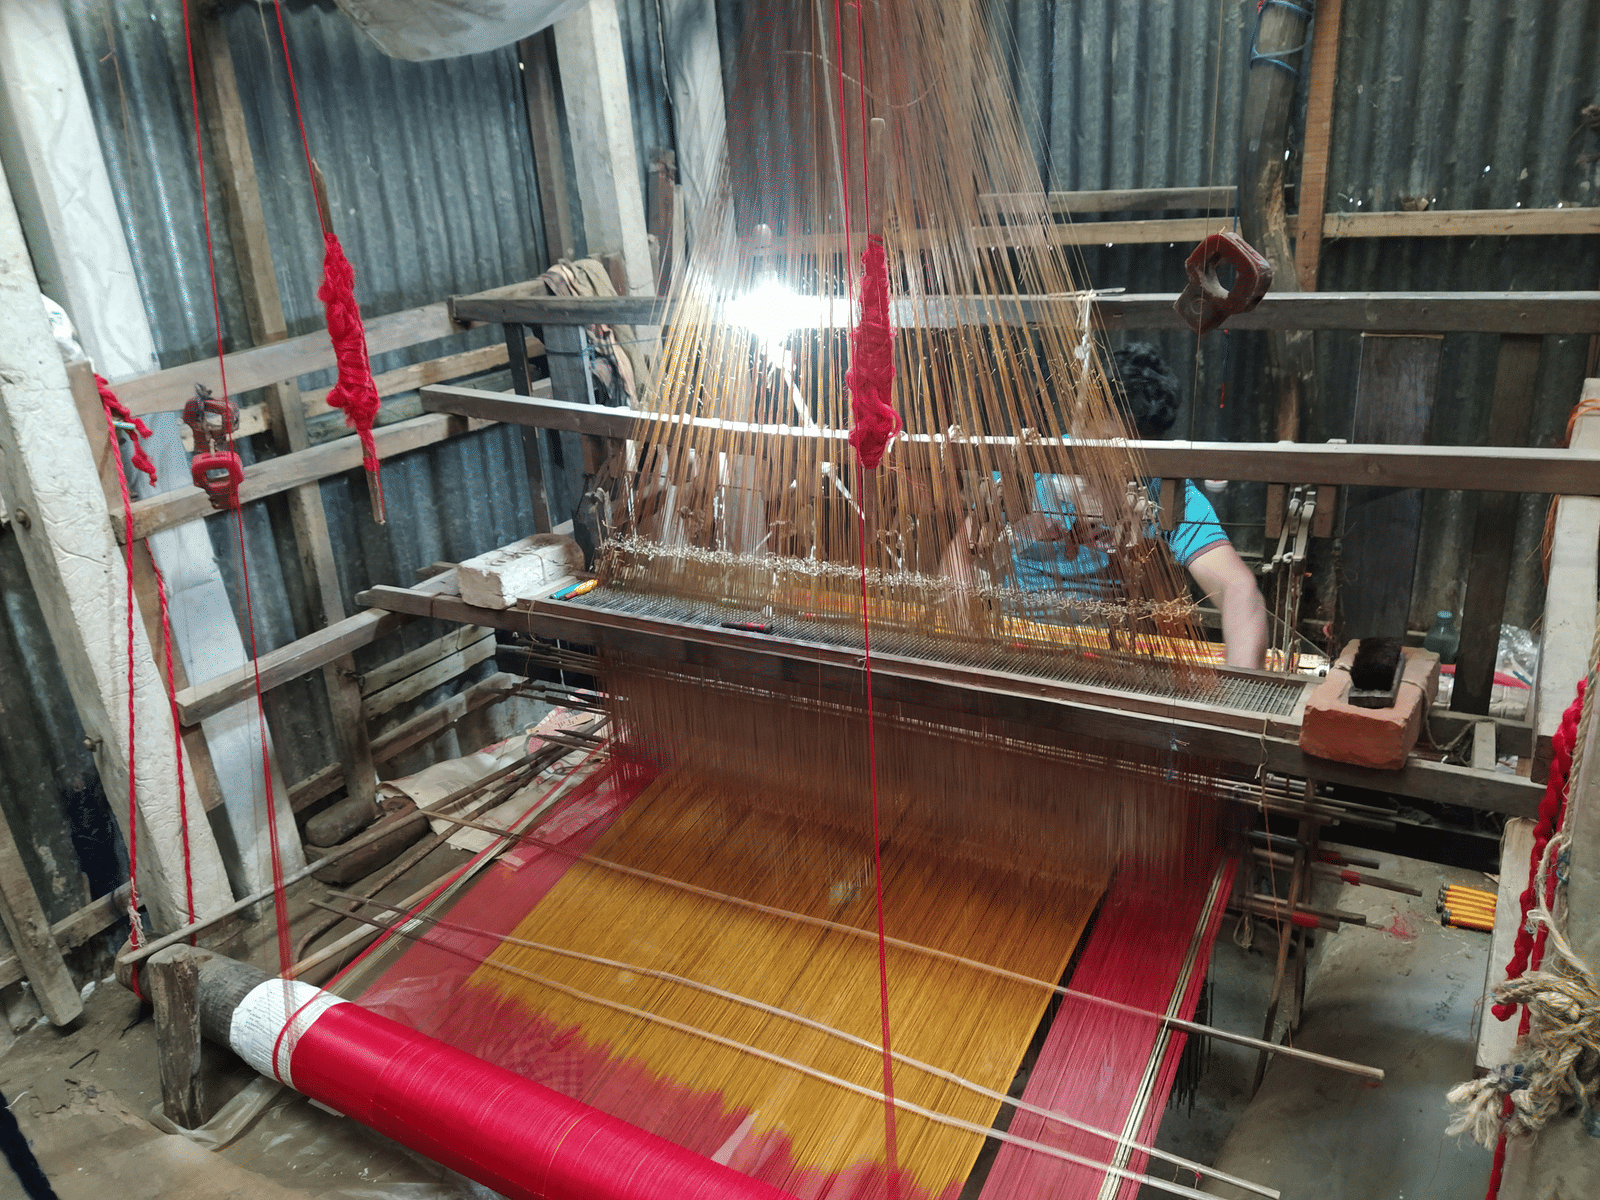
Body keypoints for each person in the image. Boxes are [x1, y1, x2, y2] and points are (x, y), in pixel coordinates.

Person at [944, 343, 1268, 669]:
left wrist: (1241, 687)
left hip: (1113, 659)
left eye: (1132, 458)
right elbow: (960, 556)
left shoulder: (1164, 491)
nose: (1116, 470)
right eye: (1104, 451)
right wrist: (966, 647)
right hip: (1017, 647)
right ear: (1080, 420)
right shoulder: (1029, 470)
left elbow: (1238, 589)